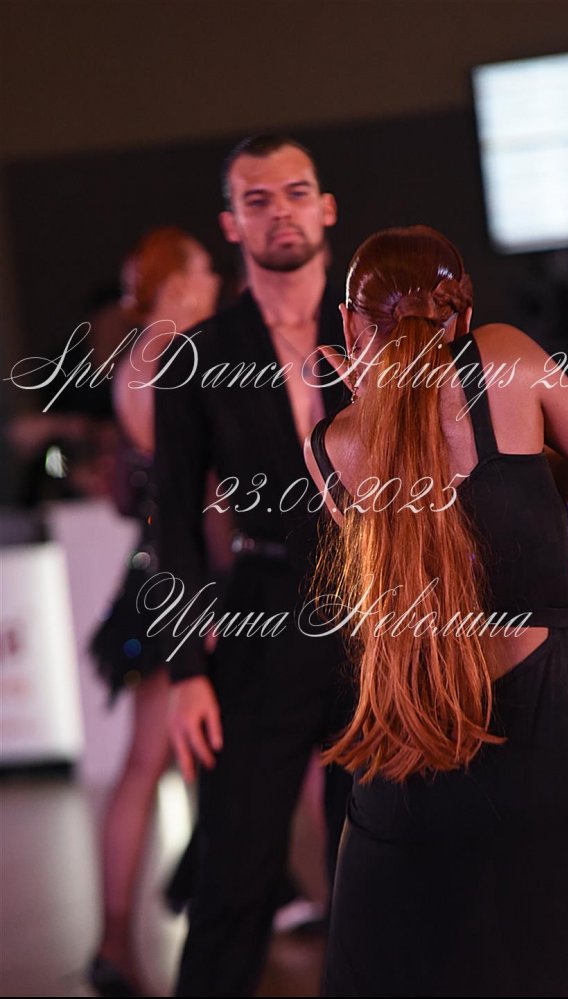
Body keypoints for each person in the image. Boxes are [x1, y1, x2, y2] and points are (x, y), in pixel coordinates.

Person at [304, 225, 568, 997]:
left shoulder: (330, 445)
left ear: (348, 327)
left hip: (412, 772)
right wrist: (524, 454)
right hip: (549, 768)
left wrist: (384, 405)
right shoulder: (506, 357)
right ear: (462, 317)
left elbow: (409, 547)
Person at [152, 136, 352, 997]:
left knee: (390, 863)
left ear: (326, 208)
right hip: (263, 614)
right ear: (231, 223)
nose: (281, 213)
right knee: (232, 873)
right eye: (257, 199)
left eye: (296, 192)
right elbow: (172, 519)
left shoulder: (379, 333)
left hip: (379, 612)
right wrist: (185, 671)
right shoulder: (197, 354)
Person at [89, 227, 221, 997]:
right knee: (154, 763)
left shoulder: (139, 359)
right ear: (175, 284)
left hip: (159, 577)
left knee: (155, 761)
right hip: (183, 580)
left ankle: (128, 927)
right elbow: (195, 494)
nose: (215, 279)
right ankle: (125, 928)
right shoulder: (174, 358)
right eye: (204, 268)